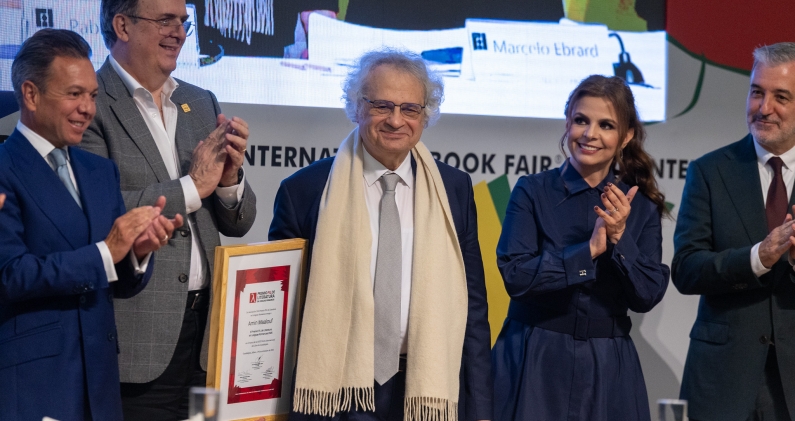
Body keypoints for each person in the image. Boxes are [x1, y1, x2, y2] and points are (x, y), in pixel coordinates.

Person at [269, 49, 492, 421]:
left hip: (424, 387)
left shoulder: (453, 189)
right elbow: (281, 312)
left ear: (425, 115)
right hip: (335, 388)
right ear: (356, 106)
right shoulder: (305, 190)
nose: (395, 120)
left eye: (410, 109)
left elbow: (474, 308)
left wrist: (482, 408)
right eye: (381, 105)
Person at [79, 0, 257, 418]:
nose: (178, 32)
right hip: (138, 339)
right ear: (122, 25)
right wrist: (193, 186)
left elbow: (239, 221)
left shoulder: (201, 101)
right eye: (164, 20)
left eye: (183, 22)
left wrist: (229, 180)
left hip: (208, 340)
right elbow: (103, 214)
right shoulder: (90, 104)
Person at [0, 29, 182, 421]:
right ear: (30, 94)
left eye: (93, 96)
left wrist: (137, 253)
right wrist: (107, 251)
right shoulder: (3, 169)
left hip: (100, 387)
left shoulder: (100, 172)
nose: (87, 108)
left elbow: (116, 278)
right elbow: (10, 275)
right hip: (35, 388)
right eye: (74, 94)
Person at [492, 75, 670, 420]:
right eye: (581, 120)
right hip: (533, 356)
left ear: (626, 136)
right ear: (567, 121)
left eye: (606, 125)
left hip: (608, 368)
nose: (590, 134)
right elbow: (515, 276)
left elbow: (647, 294)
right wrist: (587, 251)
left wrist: (619, 239)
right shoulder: (532, 190)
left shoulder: (642, 206)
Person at [672, 42, 795, 421]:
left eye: (781, 96)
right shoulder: (710, 171)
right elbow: (687, 269)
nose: (763, 108)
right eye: (757, 92)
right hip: (722, 379)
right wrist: (758, 257)